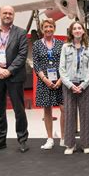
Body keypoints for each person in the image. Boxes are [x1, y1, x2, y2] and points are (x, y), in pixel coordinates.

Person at [0, 5, 29, 153]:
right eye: (5, 13)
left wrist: (8, 71)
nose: (7, 15)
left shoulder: (21, 33)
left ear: (13, 16)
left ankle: (22, 140)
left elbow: (22, 55)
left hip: (14, 76)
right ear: (0, 15)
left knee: (19, 110)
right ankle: (0, 141)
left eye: (10, 13)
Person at [59, 21, 89, 155]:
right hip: (69, 85)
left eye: (80, 28)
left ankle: (86, 144)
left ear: (84, 31)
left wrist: (83, 84)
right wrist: (69, 84)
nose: (77, 30)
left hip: (84, 85)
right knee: (69, 114)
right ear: (71, 31)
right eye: (75, 28)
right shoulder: (65, 47)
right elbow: (61, 68)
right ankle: (70, 144)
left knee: (85, 114)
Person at [33, 18, 64, 149]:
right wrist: (45, 79)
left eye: (50, 26)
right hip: (44, 81)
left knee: (64, 109)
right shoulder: (37, 44)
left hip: (60, 81)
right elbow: (36, 64)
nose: (48, 29)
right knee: (47, 109)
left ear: (54, 28)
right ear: (42, 29)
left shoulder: (61, 44)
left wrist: (60, 80)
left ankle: (63, 138)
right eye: (45, 27)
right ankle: (50, 139)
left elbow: (65, 64)